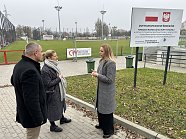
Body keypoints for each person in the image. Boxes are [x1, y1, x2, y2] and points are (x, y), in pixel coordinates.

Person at [11, 42, 47, 139]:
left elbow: (13, 81)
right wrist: (38, 118)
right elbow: (31, 99)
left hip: (25, 112)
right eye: (41, 51)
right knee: (32, 136)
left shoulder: (19, 65)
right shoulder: (30, 71)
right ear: (35, 53)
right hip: (31, 116)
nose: (42, 53)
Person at [41, 50, 71, 132]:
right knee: (52, 108)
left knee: (60, 104)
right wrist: (59, 78)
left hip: (58, 91)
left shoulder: (53, 65)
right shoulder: (45, 69)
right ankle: (52, 125)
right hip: (51, 92)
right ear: (49, 58)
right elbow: (48, 84)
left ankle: (62, 118)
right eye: (54, 56)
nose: (57, 57)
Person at [91, 44, 116, 138]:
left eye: (101, 51)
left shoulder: (111, 63)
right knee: (100, 109)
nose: (99, 52)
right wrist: (96, 73)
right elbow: (101, 74)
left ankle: (109, 130)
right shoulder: (101, 61)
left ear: (106, 52)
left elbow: (110, 79)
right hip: (100, 89)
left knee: (107, 111)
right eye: (99, 50)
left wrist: (97, 75)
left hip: (107, 92)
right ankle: (102, 125)